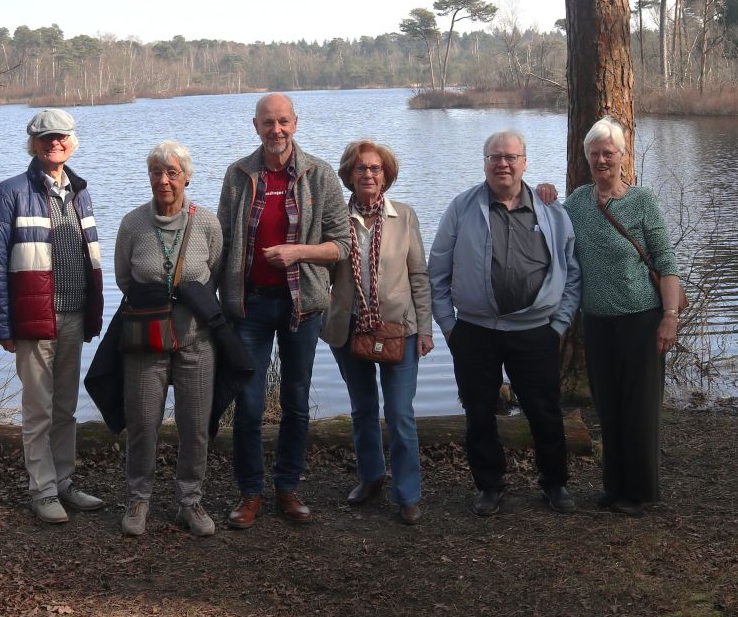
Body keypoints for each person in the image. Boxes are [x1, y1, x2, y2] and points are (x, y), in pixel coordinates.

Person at [428, 129, 580, 517]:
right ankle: (489, 486)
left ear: (524, 163)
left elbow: (572, 272)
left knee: (545, 411)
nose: (503, 164)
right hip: (474, 332)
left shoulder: (551, 211)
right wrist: (449, 326)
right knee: (479, 413)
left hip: (536, 332)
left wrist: (558, 325)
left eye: (511, 157)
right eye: (495, 157)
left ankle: (555, 483)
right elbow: (437, 272)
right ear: (485, 163)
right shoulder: (462, 208)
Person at [217, 93, 349, 528]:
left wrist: (297, 252)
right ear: (256, 126)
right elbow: (221, 241)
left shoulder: (319, 174)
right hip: (249, 305)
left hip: (302, 306)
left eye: (283, 121)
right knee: (249, 405)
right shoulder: (239, 174)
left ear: (295, 123)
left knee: (294, 402)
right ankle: (250, 492)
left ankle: (288, 487)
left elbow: (341, 246)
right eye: (268, 122)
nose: (276, 130)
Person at [0, 108, 106, 524]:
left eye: (62, 136)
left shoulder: (80, 191)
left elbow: (90, 260)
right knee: (39, 412)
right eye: (47, 137)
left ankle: (64, 483)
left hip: (73, 316)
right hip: (34, 320)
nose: (55, 143)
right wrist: (2, 326)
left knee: (66, 409)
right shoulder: (9, 193)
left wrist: (93, 315)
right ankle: (43, 491)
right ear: (33, 144)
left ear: (72, 142)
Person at [560, 117, 682, 516]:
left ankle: (640, 491)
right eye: (594, 154)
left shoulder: (642, 201)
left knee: (639, 408)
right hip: (597, 322)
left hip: (642, 320)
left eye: (608, 153)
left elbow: (665, 261)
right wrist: (542, 194)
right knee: (608, 406)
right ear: (586, 158)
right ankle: (614, 486)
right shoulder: (577, 202)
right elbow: (549, 228)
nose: (601, 160)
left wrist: (669, 316)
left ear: (622, 156)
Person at [111, 142, 222, 537]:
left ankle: (190, 500)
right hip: (146, 343)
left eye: (172, 173)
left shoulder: (206, 223)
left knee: (195, 425)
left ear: (186, 178)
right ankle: (138, 499)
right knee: (142, 423)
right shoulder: (132, 224)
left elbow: (214, 275)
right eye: (156, 172)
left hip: (196, 341)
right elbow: (124, 278)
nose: (163, 180)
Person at [321, 141, 433, 525]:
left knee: (400, 413)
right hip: (348, 327)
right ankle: (371, 477)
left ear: (386, 175)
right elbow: (320, 271)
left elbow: (419, 276)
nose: (368, 175)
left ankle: (408, 493)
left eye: (375, 169)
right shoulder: (335, 218)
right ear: (349, 175)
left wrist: (425, 329)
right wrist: (321, 308)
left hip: (399, 329)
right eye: (361, 168)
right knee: (363, 408)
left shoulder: (404, 216)